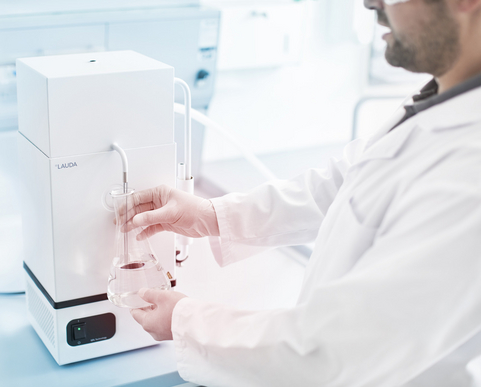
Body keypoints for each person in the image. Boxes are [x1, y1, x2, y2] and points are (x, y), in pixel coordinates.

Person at [126, 0, 481, 385]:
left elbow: (336, 349)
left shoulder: (469, 171)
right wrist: (209, 215)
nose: (371, 3)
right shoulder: (443, 100)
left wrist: (186, 321)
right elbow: (338, 185)